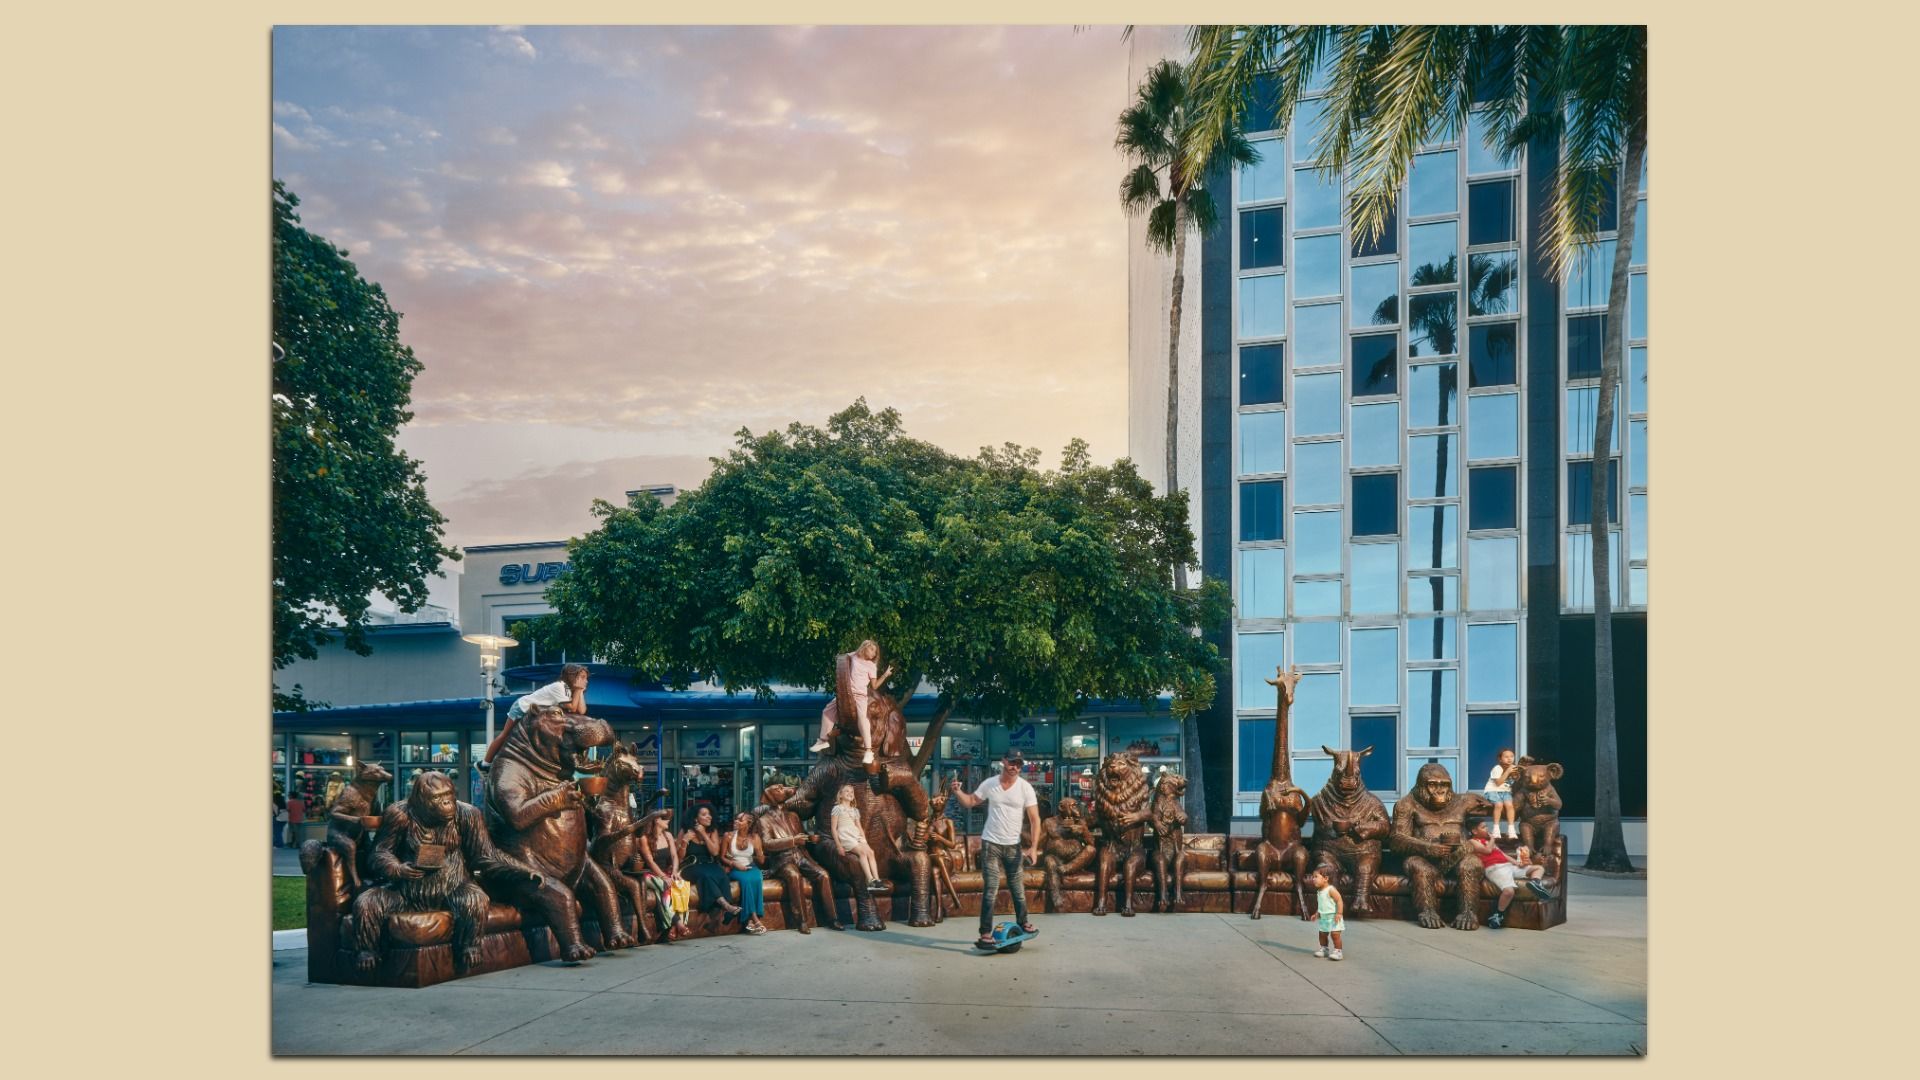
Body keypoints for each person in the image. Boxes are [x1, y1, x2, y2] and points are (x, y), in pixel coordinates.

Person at [948, 749, 1042, 949]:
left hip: (1013, 845)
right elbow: (971, 801)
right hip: (990, 843)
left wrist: (1034, 847)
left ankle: (1023, 922)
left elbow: (1035, 819)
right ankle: (985, 934)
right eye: (1012, 762)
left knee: (1018, 889)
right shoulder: (990, 784)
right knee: (991, 890)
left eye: (1019, 764)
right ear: (1003, 761)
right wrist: (957, 792)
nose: (1015, 767)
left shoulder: (1025, 788)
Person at [482, 663, 589, 768]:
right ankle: (485, 764)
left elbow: (581, 711)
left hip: (533, 714)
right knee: (505, 735)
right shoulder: (560, 687)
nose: (586, 681)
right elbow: (572, 708)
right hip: (522, 707)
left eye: (586, 678)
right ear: (572, 676)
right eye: (582, 677)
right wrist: (578, 690)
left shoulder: (568, 690)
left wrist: (580, 691)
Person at [812, 640, 893, 766]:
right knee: (827, 711)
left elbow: (874, 686)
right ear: (865, 647)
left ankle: (868, 751)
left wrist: (885, 675)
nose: (874, 653)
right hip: (845, 694)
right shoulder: (853, 656)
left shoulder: (871, 666)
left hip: (860, 696)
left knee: (862, 718)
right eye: (872, 650)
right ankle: (823, 740)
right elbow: (841, 659)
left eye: (875, 652)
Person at [1467, 820, 1548, 927]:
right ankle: (1497, 915)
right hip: (1495, 868)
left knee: (1538, 868)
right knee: (1509, 891)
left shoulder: (1488, 842)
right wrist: (1492, 839)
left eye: (1486, 826)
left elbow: (1503, 855)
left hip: (1508, 866)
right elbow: (1487, 851)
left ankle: (1535, 883)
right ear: (1474, 831)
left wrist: (1517, 863)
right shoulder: (1472, 841)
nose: (1487, 829)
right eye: (1483, 827)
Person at [679, 805, 745, 925]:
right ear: (695, 818)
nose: (709, 817)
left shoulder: (712, 831)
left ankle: (720, 913)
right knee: (706, 876)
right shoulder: (685, 831)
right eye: (704, 814)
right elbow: (679, 857)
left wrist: (704, 834)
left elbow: (714, 852)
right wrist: (685, 841)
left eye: (709, 814)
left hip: (709, 864)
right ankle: (726, 906)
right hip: (690, 866)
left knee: (722, 875)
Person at [636, 810, 691, 941]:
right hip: (648, 873)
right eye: (665, 818)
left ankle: (674, 926)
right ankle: (679, 923)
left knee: (680, 885)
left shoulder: (668, 835)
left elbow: (674, 856)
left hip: (666, 872)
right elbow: (650, 861)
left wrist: (674, 872)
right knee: (665, 886)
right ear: (656, 820)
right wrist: (664, 877)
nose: (669, 820)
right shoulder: (643, 838)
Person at [831, 785, 887, 892]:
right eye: (846, 791)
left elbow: (859, 827)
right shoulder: (837, 809)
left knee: (871, 852)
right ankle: (870, 880)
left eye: (851, 792)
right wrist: (838, 845)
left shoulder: (855, 810)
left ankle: (877, 880)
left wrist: (864, 840)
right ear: (841, 795)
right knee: (862, 852)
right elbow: (833, 828)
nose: (850, 793)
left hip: (856, 835)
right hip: (845, 836)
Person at [725, 811, 769, 935]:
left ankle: (750, 921)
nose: (736, 821)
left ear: (748, 824)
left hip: (751, 866)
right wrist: (734, 864)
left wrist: (759, 849)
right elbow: (721, 857)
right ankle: (755, 918)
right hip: (734, 868)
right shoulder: (728, 836)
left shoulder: (754, 837)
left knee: (757, 878)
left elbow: (761, 861)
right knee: (746, 881)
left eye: (740, 820)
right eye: (736, 819)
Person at [1308, 868, 1345, 960]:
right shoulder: (1319, 891)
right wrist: (1316, 913)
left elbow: (1339, 900)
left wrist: (1339, 913)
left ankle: (1338, 951)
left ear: (1325, 878)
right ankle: (1324, 949)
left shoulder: (1331, 890)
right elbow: (1321, 905)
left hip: (1334, 917)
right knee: (1322, 934)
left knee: (1335, 935)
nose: (1313, 879)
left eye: (1316, 876)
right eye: (1313, 877)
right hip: (1324, 918)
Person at [1484, 748, 1518, 840]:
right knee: (1499, 804)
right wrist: (1508, 771)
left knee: (1509, 805)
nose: (1509, 759)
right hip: (1492, 791)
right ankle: (1496, 829)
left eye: (1512, 756)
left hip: (1506, 792)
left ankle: (1511, 829)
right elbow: (1498, 783)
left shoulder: (1514, 768)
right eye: (1506, 757)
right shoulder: (1497, 768)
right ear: (1500, 759)